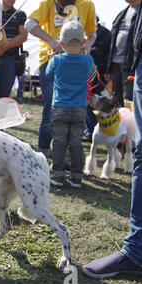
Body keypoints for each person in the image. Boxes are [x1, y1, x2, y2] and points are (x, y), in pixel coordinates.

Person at [83, 2, 142, 278]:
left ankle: (136, 250)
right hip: (132, 63)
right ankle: (136, 250)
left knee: (135, 150)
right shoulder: (123, 15)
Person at [25, 0, 97, 158]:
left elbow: (92, 34)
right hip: (52, 60)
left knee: (76, 108)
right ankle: (43, 152)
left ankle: (69, 154)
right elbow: (29, 24)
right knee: (51, 107)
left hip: (77, 62)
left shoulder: (87, 5)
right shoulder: (47, 3)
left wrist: (88, 45)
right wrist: (51, 40)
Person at [46, 21, 95, 188]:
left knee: (59, 142)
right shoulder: (88, 60)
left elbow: (47, 75)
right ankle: (76, 177)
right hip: (80, 108)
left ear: (61, 43)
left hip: (60, 107)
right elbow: (91, 73)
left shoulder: (57, 60)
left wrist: (51, 58)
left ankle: (58, 176)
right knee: (76, 142)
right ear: (82, 43)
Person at [104, 0, 140, 108]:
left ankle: (131, 123)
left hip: (130, 64)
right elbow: (112, 40)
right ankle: (120, 123)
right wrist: (108, 68)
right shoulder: (122, 13)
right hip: (115, 63)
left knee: (129, 97)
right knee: (116, 97)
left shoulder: (140, 12)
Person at [0, 0, 27, 99]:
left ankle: (1, 115)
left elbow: (23, 36)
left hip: (10, 60)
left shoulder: (20, 14)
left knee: (4, 97)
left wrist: (4, 46)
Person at [84, 16, 111, 142]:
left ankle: (94, 131)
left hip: (99, 72)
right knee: (87, 101)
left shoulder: (104, 33)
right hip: (86, 71)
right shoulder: (82, 32)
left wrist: (83, 48)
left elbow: (101, 51)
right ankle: (89, 130)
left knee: (94, 102)